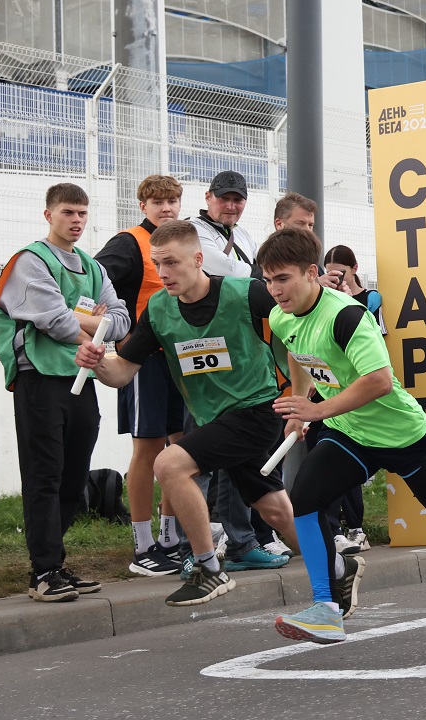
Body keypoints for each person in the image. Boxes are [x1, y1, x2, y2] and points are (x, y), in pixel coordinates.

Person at [255, 228, 426, 643]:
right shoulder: (283, 315)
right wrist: (298, 406)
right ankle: (326, 607)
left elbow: (377, 380)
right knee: (303, 497)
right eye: (268, 280)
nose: (275, 290)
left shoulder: (346, 316)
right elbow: (297, 353)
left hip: (399, 432)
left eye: (282, 278)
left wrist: (318, 409)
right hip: (349, 430)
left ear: (310, 272)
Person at [74, 221, 302, 607]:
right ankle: (332, 563)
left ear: (198, 260)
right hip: (215, 420)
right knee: (276, 510)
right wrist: (97, 361)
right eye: (157, 263)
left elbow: (298, 338)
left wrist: (300, 401)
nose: (163, 273)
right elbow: (122, 372)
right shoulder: (159, 310)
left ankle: (208, 567)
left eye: (172, 263)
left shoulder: (247, 293)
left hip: (255, 411)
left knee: (170, 464)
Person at [0, 182, 130, 601]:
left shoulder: (92, 267)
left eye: (82, 213)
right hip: (40, 381)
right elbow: (54, 319)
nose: (76, 220)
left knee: (74, 478)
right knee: (44, 476)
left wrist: (88, 323)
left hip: (82, 380)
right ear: (48, 214)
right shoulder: (30, 261)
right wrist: (93, 325)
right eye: (68, 212)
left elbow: (122, 320)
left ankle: (55, 563)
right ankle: (43, 572)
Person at [188, 170, 289, 572]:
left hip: (242, 353)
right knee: (196, 456)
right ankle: (201, 547)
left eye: (239, 199)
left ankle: (242, 540)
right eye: (225, 198)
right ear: (208, 197)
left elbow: (252, 279)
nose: (232, 205)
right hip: (206, 353)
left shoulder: (244, 236)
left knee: (241, 457)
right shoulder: (194, 232)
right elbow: (239, 277)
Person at [94, 174, 188, 575]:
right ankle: (143, 544)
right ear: (143, 207)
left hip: (181, 359)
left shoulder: (182, 240)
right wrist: (121, 330)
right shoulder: (129, 242)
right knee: (147, 449)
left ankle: (170, 537)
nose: (166, 209)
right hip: (144, 361)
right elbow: (95, 277)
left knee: (181, 449)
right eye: (158, 203)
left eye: (172, 202)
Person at [319, 243, 394, 549]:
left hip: (362, 390)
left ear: (354, 270)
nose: (337, 279)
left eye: (342, 273)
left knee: (353, 463)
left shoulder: (369, 299)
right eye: (330, 274)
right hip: (331, 391)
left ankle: (356, 527)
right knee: (329, 461)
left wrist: (350, 303)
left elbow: (378, 340)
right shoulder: (321, 300)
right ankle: (332, 528)